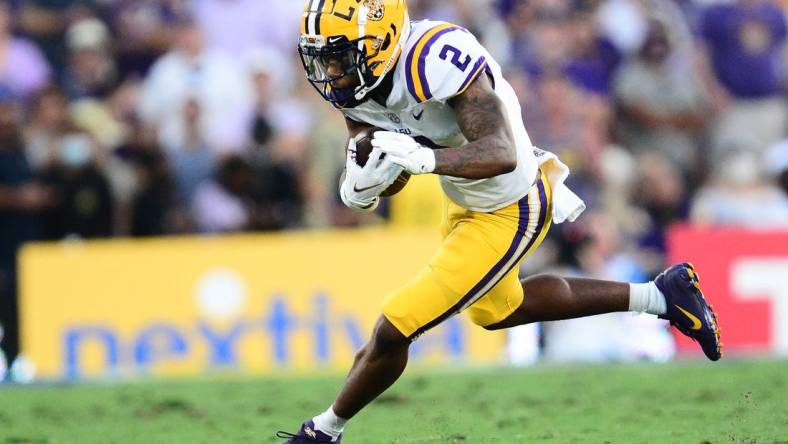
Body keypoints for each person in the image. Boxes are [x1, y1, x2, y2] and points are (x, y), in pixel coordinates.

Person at [278, 1, 722, 442]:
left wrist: (425, 160)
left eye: (339, 55)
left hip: (512, 202)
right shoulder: (355, 84)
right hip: (465, 199)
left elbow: (500, 151)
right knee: (499, 309)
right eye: (323, 57)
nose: (331, 70)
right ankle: (662, 296)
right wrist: (367, 183)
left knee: (396, 326)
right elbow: (381, 157)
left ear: (383, 42)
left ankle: (322, 431)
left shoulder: (433, 58)